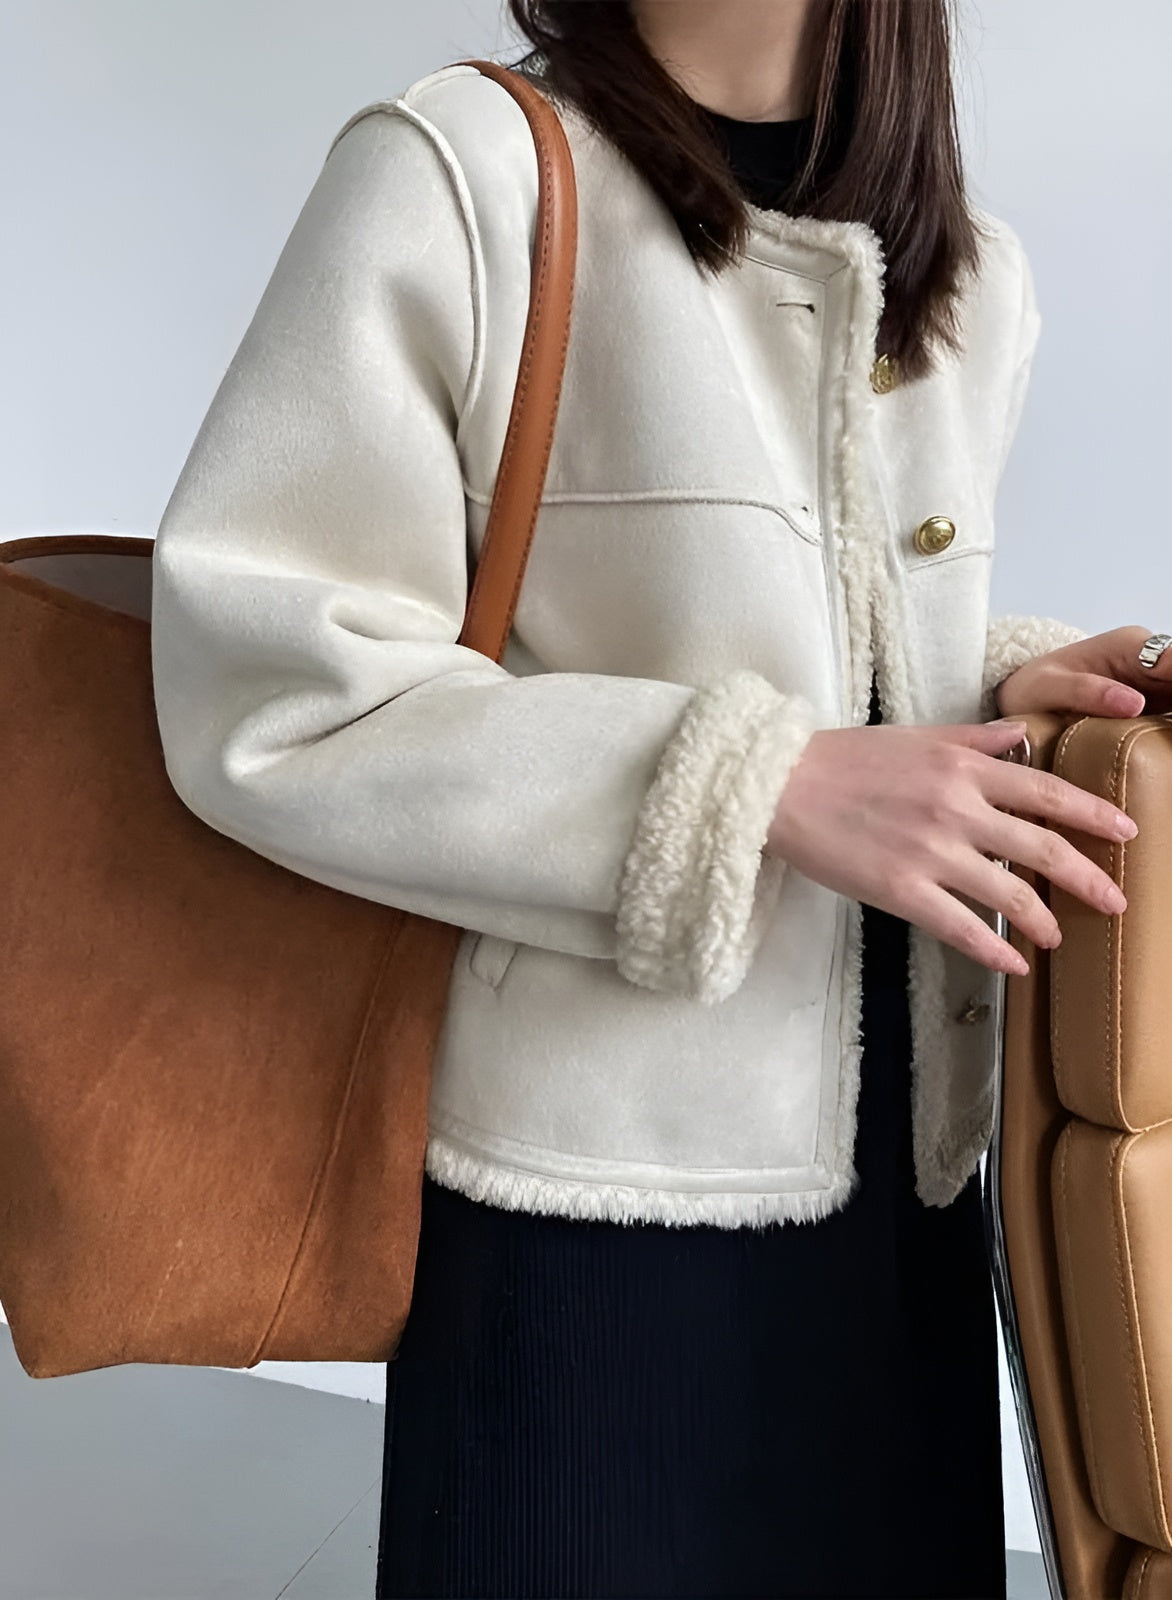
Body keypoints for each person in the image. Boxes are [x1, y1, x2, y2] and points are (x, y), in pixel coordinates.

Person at [148, 1, 1171, 1595]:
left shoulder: (974, 268)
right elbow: (272, 692)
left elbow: (809, 638)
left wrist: (995, 695)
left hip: (907, 1210)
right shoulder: (463, 173)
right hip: (585, 1215)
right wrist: (761, 782)